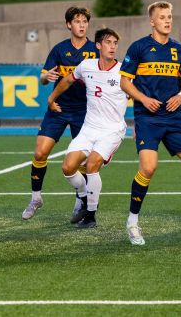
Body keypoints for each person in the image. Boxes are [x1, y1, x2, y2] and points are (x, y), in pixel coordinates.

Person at [120, 1, 181, 245]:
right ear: (152, 21)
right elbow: (125, 83)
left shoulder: (178, 50)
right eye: (162, 17)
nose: (167, 20)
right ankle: (132, 222)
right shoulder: (139, 47)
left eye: (169, 16)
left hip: (173, 118)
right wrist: (142, 98)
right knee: (148, 168)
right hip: (147, 118)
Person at [23, 7, 98, 221]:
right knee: (40, 153)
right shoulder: (59, 49)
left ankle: (80, 200)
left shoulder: (95, 50)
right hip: (58, 108)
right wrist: (47, 76)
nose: (82, 25)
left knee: (81, 160)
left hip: (85, 111)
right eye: (77, 21)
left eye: (85, 21)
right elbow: (43, 78)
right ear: (69, 25)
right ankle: (36, 198)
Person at [50, 28, 127, 229]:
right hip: (89, 127)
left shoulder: (123, 71)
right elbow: (67, 79)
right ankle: (84, 198)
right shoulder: (86, 65)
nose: (112, 46)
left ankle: (91, 215)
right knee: (68, 168)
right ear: (98, 46)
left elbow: (137, 94)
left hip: (112, 130)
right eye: (108, 42)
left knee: (92, 164)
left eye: (115, 43)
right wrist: (52, 98)